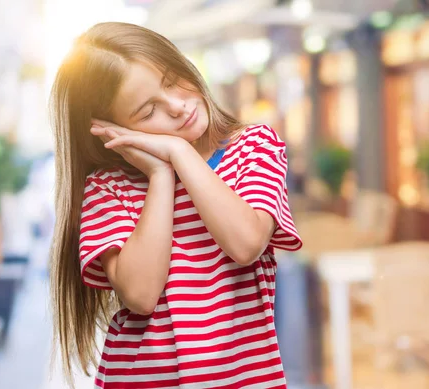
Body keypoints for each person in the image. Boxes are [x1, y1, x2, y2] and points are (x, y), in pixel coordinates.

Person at [49, 22, 302, 388]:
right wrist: (160, 174)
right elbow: (140, 295)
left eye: (171, 81)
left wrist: (180, 151)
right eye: (148, 111)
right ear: (110, 128)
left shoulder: (254, 147)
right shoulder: (108, 188)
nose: (178, 106)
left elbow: (247, 243)